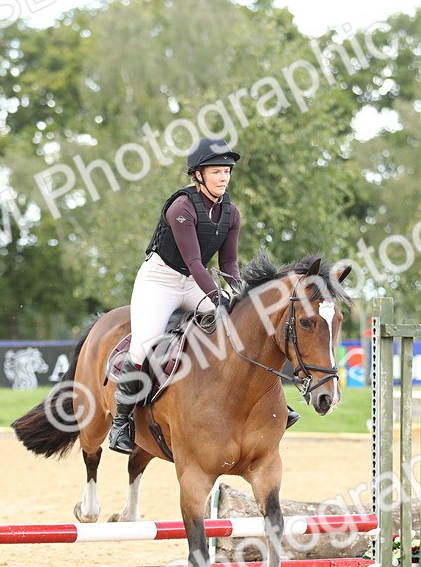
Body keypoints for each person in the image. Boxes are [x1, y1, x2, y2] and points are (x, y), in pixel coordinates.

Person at [107, 137, 298, 454]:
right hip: (160, 281)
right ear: (198, 175)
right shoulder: (181, 208)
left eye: (227, 171)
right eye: (216, 171)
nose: (224, 177)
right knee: (143, 346)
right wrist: (217, 297)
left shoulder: (231, 213)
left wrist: (240, 296)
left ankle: (272, 402)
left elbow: (228, 263)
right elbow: (195, 261)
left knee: (244, 328)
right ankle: (121, 423)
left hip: (194, 282)